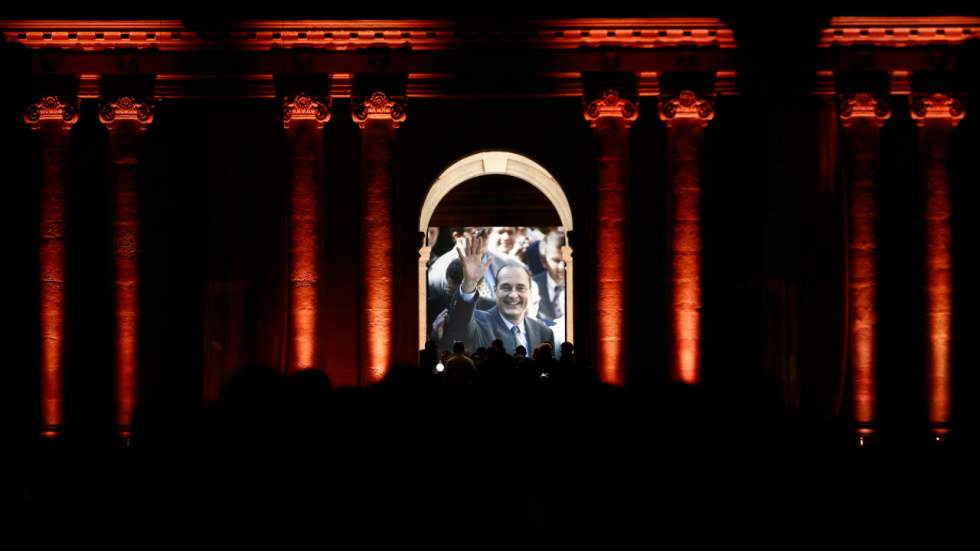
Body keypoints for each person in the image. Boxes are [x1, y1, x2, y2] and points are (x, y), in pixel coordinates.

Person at [444, 231, 554, 355]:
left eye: (521, 288)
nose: (513, 295)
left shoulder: (544, 332)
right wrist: (469, 283)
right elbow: (460, 328)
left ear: (530, 292)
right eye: (506, 288)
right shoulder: (479, 321)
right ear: (495, 290)